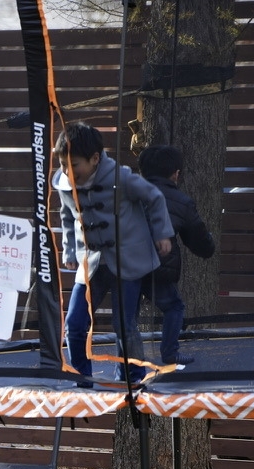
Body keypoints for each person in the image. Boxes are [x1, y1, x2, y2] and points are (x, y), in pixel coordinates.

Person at [53, 122, 173, 383]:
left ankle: (132, 377)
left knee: (123, 325)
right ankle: (81, 375)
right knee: (74, 322)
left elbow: (154, 197)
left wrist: (162, 233)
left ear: (95, 159)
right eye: (62, 164)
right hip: (92, 260)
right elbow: (68, 217)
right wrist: (69, 250)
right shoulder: (65, 184)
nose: (67, 172)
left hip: (126, 259)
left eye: (74, 165)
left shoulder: (121, 178)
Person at [137, 144, 216, 366]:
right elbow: (200, 242)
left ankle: (127, 362)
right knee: (174, 306)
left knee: (127, 316)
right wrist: (209, 243)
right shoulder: (180, 201)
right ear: (176, 173)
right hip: (157, 267)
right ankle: (169, 352)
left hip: (125, 264)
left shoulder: (128, 194)